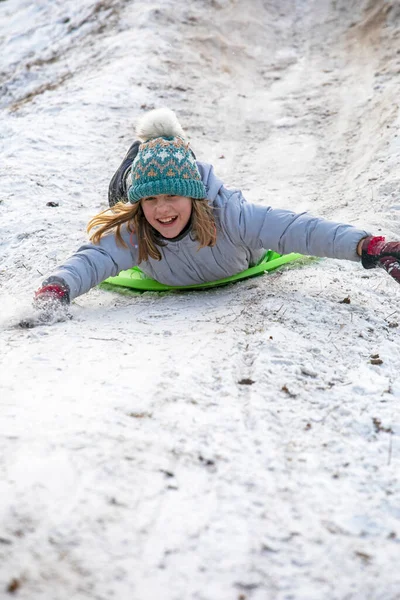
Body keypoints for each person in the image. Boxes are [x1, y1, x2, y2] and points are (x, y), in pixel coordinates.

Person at [21, 108, 400, 328]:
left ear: (194, 197)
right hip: (131, 192)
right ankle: (141, 154)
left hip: (203, 205)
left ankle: (162, 150)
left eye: (172, 196)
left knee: (160, 177)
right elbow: (95, 258)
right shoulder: (137, 227)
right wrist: (57, 288)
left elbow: (297, 229)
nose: (162, 209)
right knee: (122, 191)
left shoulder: (231, 216)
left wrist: (367, 246)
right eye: (151, 200)